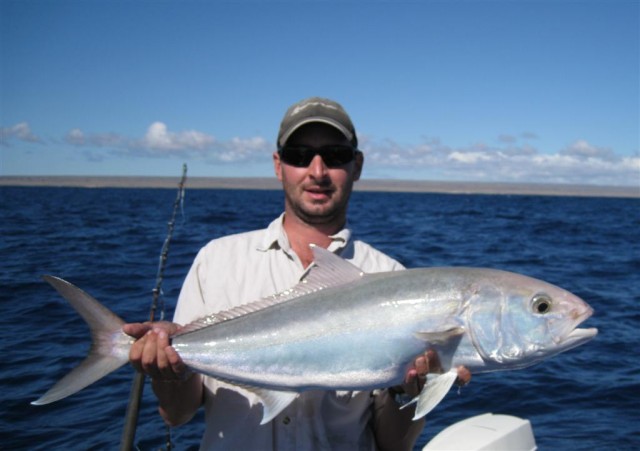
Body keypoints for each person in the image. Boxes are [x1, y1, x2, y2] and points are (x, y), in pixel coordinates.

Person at [124, 97, 471, 450]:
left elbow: (391, 445)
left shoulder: (390, 277)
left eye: (335, 156)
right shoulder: (217, 261)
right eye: (299, 155)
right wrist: (168, 368)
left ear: (357, 165)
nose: (317, 171)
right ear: (279, 165)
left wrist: (408, 390)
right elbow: (177, 415)